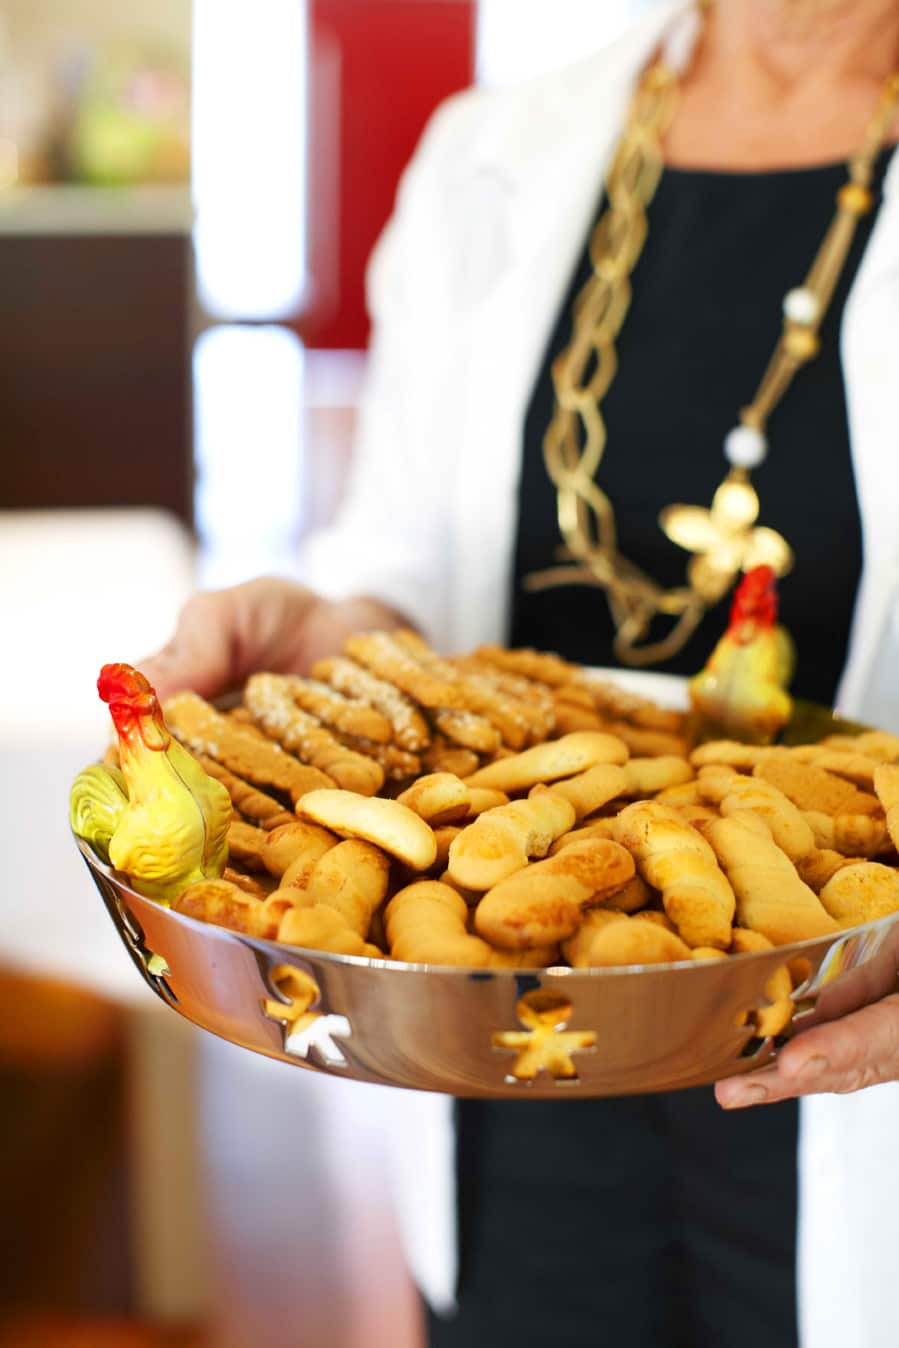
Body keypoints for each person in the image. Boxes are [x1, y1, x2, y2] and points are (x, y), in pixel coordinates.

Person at [143, 0, 899, 1343]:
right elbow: (407, 573)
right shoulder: (493, 152)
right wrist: (344, 642)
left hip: (868, 1072)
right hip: (516, 1065)